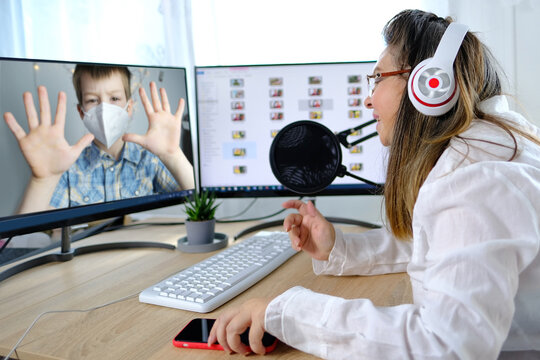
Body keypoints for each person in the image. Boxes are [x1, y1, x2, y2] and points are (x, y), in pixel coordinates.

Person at [207, 9, 540, 359]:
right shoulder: (491, 149)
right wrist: (341, 249)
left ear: (430, 83)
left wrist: (285, 312)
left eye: (378, 78)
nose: (368, 98)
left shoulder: (476, 182)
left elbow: (445, 347)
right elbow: (444, 245)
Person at [3, 64, 194, 214]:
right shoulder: (68, 166)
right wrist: (42, 180)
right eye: (93, 100)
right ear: (81, 111)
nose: (104, 110)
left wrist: (173, 155)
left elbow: (202, 205)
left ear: (129, 108)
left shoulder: (150, 158)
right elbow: (24, 239)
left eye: (114, 99)